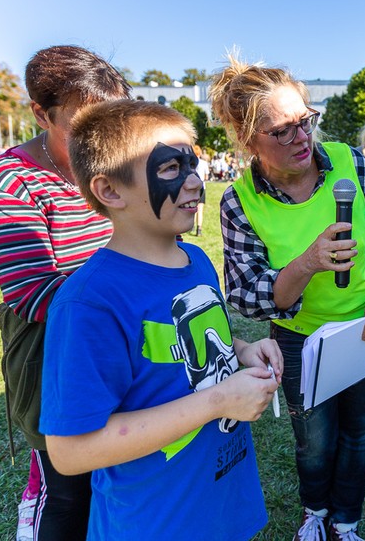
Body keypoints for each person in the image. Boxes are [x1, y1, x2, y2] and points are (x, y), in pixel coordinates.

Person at [40, 99, 279, 540]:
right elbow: (70, 452)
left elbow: (200, 343)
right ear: (110, 190)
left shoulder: (197, 258)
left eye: (195, 163)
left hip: (223, 501)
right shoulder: (89, 303)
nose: (194, 181)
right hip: (153, 521)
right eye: (171, 168)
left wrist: (244, 351)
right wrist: (219, 402)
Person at [210, 56, 365, 541]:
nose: (302, 138)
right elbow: (249, 294)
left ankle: (346, 522)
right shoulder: (240, 201)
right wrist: (307, 262)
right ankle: (315, 513)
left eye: (305, 121)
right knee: (314, 442)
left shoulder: (348, 161)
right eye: (282, 131)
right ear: (246, 139)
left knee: (359, 432)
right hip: (301, 342)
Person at [0, 45, 131, 540]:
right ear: (42, 114)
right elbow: (33, 291)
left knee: (120, 470)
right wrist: (132, 296)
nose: (105, 140)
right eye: (86, 127)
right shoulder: (8, 179)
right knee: (68, 489)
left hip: (123, 339)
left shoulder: (121, 163)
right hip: (54, 351)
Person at [192, 145, 210, 235]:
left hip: (192, 188)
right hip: (202, 186)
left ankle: (192, 225)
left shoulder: (191, 163)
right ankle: (199, 229)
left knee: (193, 207)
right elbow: (206, 176)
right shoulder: (204, 163)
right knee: (200, 208)